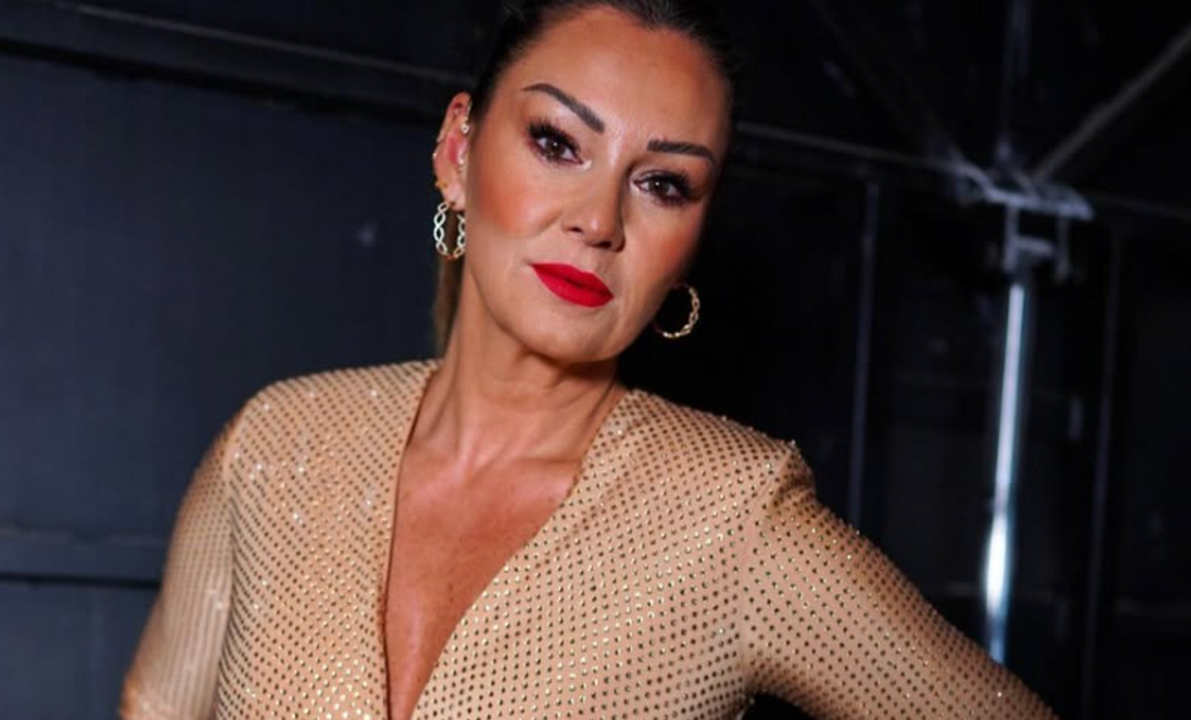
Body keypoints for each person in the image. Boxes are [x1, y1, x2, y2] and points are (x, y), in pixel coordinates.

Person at [119, 1, 1060, 718]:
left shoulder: (730, 523)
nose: (600, 221)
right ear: (457, 150)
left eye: (664, 184)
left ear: (693, 239)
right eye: (556, 142)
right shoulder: (277, 447)